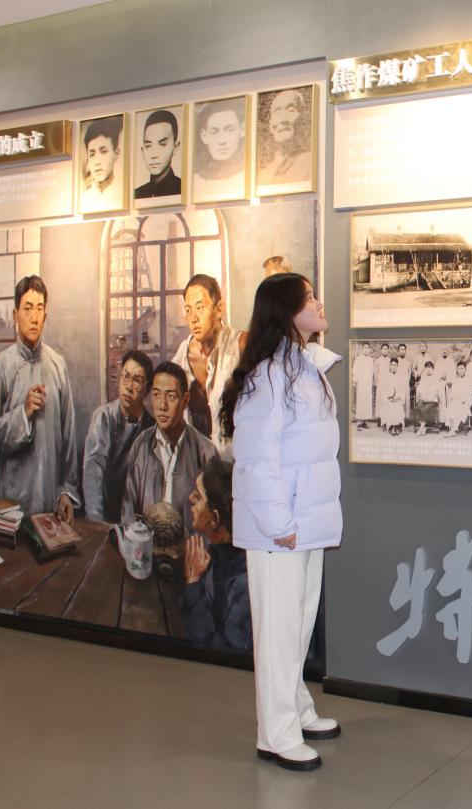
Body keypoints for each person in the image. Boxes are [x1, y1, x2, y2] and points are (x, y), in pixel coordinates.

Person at [218, 272, 342, 772]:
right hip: (281, 528)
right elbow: (255, 459)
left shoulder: (305, 368)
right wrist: (277, 522)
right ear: (287, 311)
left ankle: (296, 709)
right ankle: (276, 734)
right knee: (278, 630)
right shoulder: (269, 377)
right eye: (309, 297)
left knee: (298, 623)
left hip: (303, 523)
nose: (318, 302)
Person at [0, 276, 81, 520]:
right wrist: (22, 414)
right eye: (27, 308)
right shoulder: (1, 366)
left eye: (39, 308)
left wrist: (66, 490)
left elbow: (68, 435)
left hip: (49, 499)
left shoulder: (57, 365)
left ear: (46, 314)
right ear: (15, 314)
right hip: (10, 504)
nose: (34, 317)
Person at [121, 361, 219, 532]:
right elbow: (128, 512)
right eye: (156, 395)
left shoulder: (205, 451)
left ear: (185, 400)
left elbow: (213, 523)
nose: (162, 406)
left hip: (190, 547)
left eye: (171, 396)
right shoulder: (141, 445)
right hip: (147, 545)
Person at [170, 274, 246, 457]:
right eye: (188, 310)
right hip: (196, 463)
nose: (193, 318)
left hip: (237, 463)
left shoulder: (241, 346)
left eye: (200, 308)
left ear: (219, 309)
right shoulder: (182, 357)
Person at [181, 457, 251, 650]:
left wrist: (193, 583)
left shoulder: (243, 582)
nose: (190, 498)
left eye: (198, 496)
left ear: (214, 519)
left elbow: (223, 650)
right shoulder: (215, 554)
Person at [82, 350, 155, 523]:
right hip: (103, 514)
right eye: (126, 377)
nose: (128, 387)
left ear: (147, 388)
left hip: (136, 520)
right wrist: (97, 521)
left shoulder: (152, 428)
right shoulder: (103, 418)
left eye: (137, 381)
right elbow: (93, 471)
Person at [193, 99, 246, 200]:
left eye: (230, 130)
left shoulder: (251, 174)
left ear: (242, 130)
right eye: (214, 132)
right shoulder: (195, 181)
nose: (222, 141)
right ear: (204, 136)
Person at [258, 87, 312, 185]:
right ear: (270, 126)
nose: (283, 120)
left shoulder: (311, 163)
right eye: (277, 113)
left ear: (302, 119)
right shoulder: (263, 175)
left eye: (291, 110)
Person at [134, 109, 182, 200]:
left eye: (162, 144)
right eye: (148, 146)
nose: (154, 155)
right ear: (142, 150)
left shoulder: (183, 189)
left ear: (176, 147)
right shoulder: (137, 195)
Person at [80, 115, 125, 211]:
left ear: (116, 153)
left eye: (104, 151)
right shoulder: (83, 201)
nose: (97, 161)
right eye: (92, 154)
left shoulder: (123, 194)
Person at [413, 361, 444, 435]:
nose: (428, 369)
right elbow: (419, 390)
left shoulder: (436, 379)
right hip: (424, 399)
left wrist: (432, 398)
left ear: (432, 369)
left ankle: (421, 428)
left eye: (430, 367)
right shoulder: (423, 379)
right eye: (427, 367)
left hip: (433, 401)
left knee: (425, 408)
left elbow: (439, 391)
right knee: (418, 407)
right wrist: (423, 398)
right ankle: (423, 427)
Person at [378, 357, 406, 436]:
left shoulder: (401, 377)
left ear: (397, 366)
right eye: (392, 365)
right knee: (390, 407)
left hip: (397, 399)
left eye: (395, 365)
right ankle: (391, 427)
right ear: (390, 366)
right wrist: (389, 398)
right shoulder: (386, 377)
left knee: (397, 407)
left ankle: (397, 426)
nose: (393, 367)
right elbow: (384, 390)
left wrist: (398, 398)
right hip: (388, 399)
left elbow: (402, 390)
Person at [351, 342, 375, 429]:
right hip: (361, 384)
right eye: (365, 347)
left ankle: (365, 421)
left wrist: (372, 382)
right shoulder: (358, 359)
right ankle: (359, 422)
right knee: (361, 402)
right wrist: (355, 380)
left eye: (367, 348)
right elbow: (355, 371)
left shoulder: (371, 360)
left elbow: (372, 372)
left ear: (369, 349)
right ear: (362, 349)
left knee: (367, 402)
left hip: (368, 384)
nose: (366, 349)